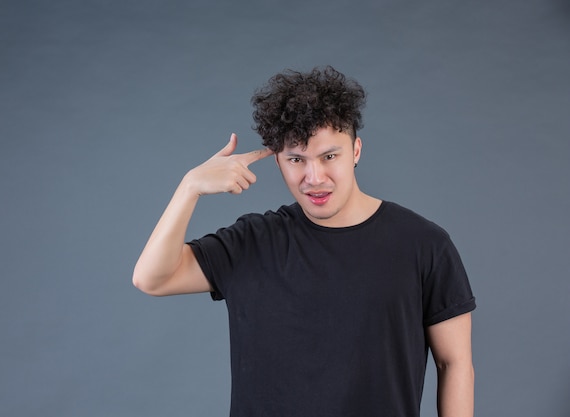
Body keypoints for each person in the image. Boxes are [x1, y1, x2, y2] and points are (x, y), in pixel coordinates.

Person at [133, 66, 476, 417]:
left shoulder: (424, 245)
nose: (314, 178)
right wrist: (189, 187)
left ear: (356, 150)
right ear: (278, 160)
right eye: (296, 159)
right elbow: (152, 278)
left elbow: (454, 363)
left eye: (329, 156)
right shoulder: (252, 242)